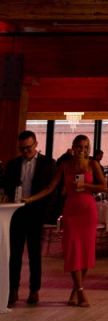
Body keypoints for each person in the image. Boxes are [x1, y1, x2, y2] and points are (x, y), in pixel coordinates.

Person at [25, 133, 106, 307]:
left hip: (88, 210)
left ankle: (76, 289)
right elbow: (50, 187)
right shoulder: (65, 165)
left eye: (85, 147)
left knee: (85, 252)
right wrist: (31, 199)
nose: (82, 150)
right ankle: (81, 293)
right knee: (73, 250)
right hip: (71, 210)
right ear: (73, 147)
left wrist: (86, 186)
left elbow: (104, 186)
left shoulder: (93, 164)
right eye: (79, 146)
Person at [2, 129, 57, 307]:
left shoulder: (48, 163)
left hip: (36, 213)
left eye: (28, 147)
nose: (25, 152)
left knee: (35, 254)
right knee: (15, 254)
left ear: (36, 145)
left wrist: (45, 211)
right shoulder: (13, 164)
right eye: (22, 149)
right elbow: (6, 185)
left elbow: (50, 189)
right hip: (16, 213)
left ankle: (34, 290)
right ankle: (13, 290)